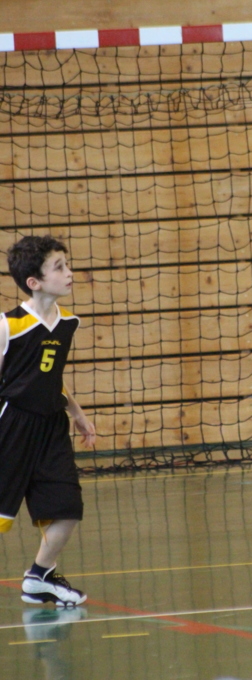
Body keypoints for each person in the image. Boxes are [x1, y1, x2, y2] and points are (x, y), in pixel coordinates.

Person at [0, 235, 95, 607]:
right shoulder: (9, 326)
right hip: (12, 426)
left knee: (67, 507)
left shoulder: (68, 323)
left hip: (51, 426)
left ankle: (39, 577)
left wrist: (77, 413)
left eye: (66, 265)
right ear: (34, 282)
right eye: (59, 268)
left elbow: (51, 377)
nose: (69, 273)